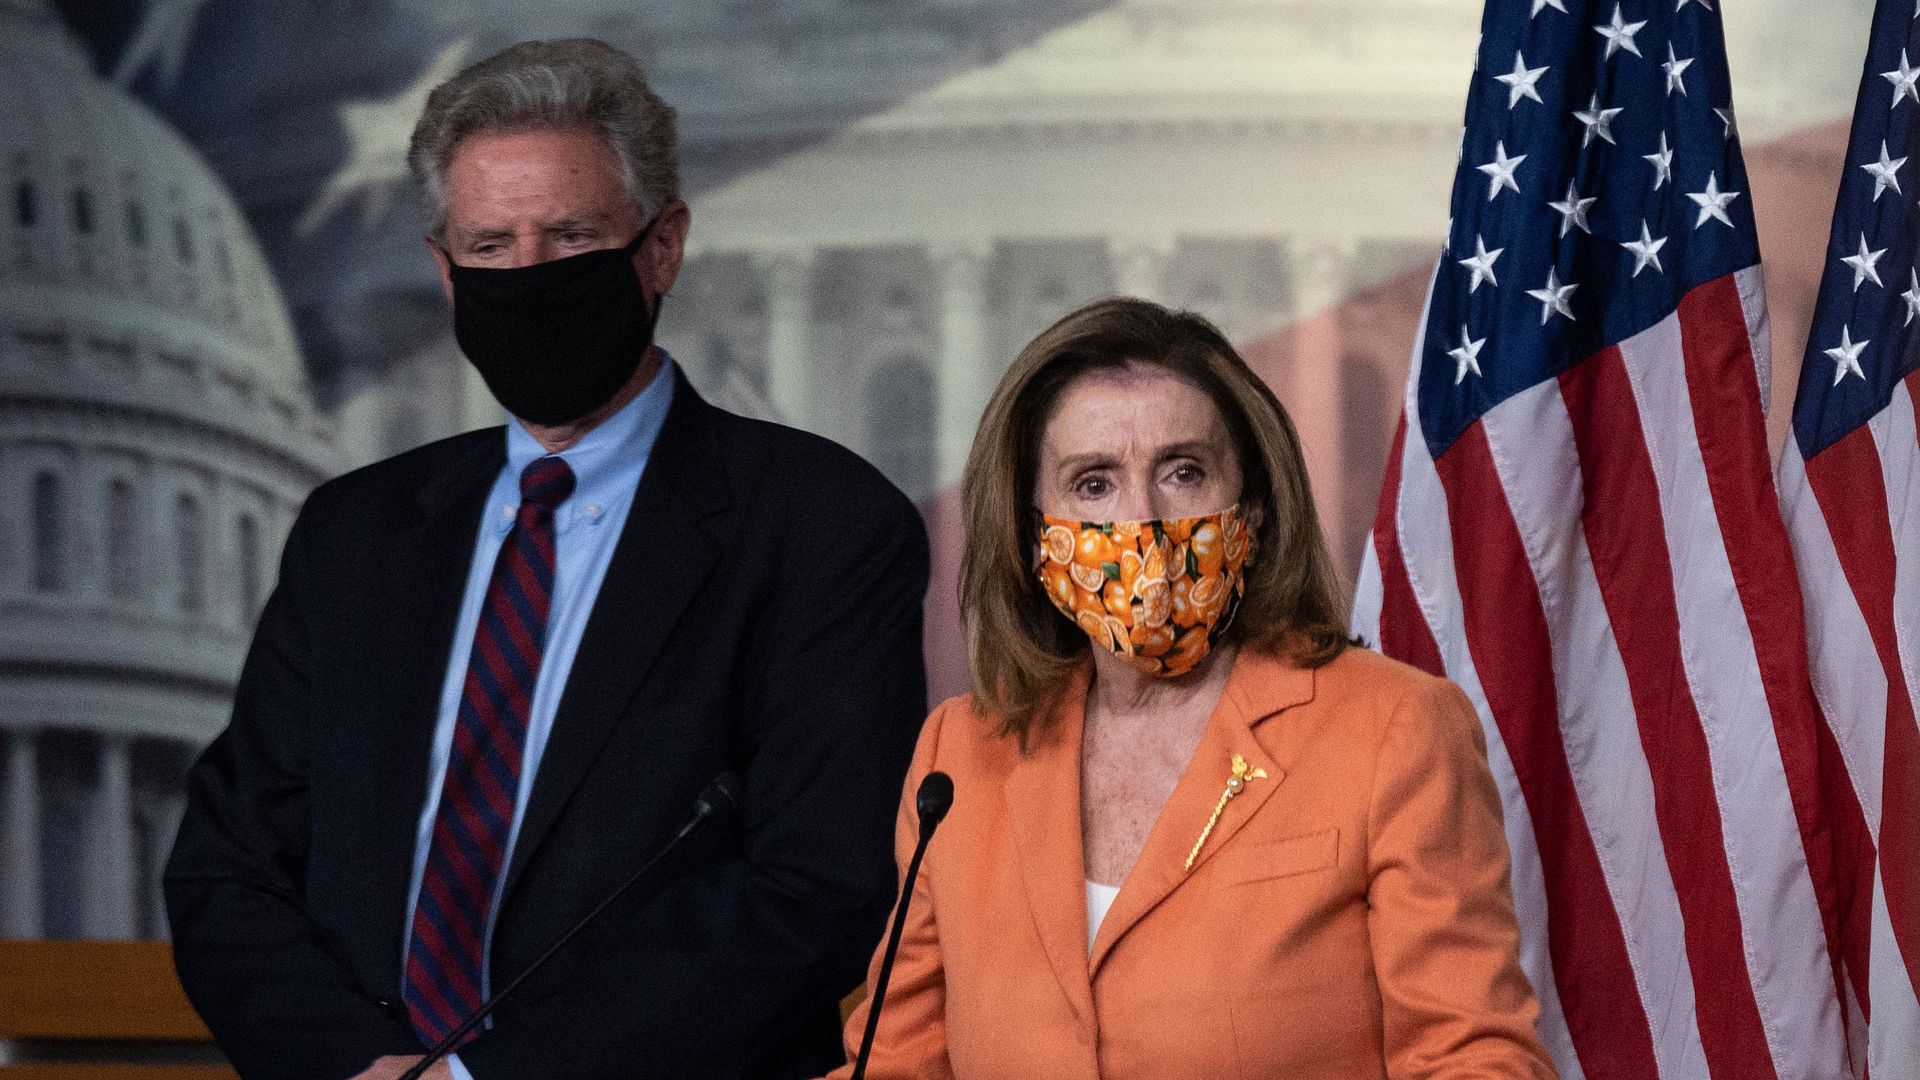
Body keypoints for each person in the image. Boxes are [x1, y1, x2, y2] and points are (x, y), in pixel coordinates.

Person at [165, 39, 929, 1080]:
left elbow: (813, 886)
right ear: (445, 272)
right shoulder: (354, 535)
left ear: (662, 249)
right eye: (490, 246)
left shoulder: (821, 525)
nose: (528, 279)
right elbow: (230, 867)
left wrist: (482, 1079)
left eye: (571, 237)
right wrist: (357, 1065)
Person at [832, 298, 1555, 1079]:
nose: (1144, 522)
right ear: (1032, 533)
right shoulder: (961, 753)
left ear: (1254, 508)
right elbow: (894, 1065)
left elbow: (1472, 1060)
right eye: (1094, 484)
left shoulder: (1394, 728)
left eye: (1183, 472)